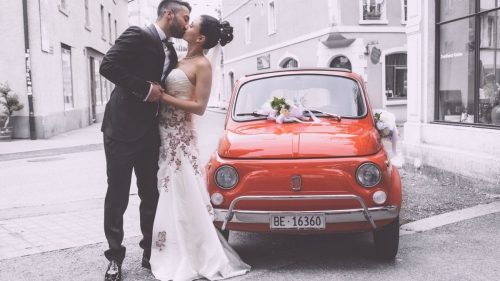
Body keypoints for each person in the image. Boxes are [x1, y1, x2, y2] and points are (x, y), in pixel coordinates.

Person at [149, 15, 251, 280]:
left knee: (182, 191)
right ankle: (169, 245)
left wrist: (164, 96)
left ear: (201, 38)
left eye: (192, 25)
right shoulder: (178, 59)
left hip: (180, 136)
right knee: (168, 189)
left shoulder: (203, 65)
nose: (187, 26)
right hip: (164, 132)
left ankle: (188, 252)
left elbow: (200, 107)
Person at [99, 1, 191, 280]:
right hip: (121, 130)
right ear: (169, 14)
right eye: (185, 17)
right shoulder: (137, 34)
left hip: (150, 132)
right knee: (117, 196)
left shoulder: (171, 49)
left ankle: (150, 254)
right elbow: (107, 65)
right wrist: (144, 88)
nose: (187, 23)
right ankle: (114, 258)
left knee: (150, 195)